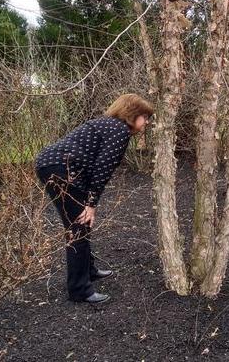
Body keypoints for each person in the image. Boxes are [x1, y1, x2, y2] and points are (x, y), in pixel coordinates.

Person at [36, 93, 153, 303]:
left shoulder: (107, 124)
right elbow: (102, 169)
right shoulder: (119, 131)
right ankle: (79, 290)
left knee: (80, 225)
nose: (147, 122)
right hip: (61, 170)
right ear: (133, 114)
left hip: (58, 168)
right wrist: (91, 204)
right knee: (78, 227)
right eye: (145, 116)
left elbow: (94, 166)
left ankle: (88, 270)